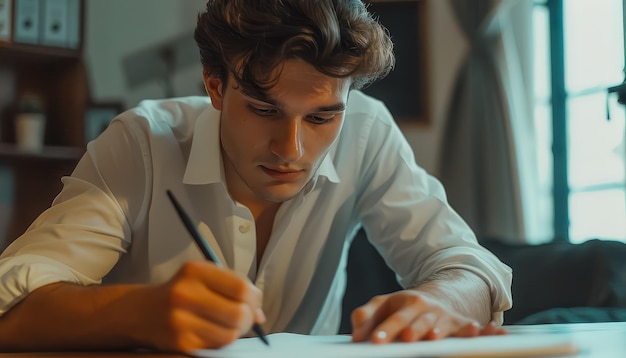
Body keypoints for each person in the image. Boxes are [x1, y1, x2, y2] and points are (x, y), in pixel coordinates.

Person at [0, 0, 512, 352]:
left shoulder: (368, 132)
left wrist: (439, 302)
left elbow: (471, 267)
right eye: (265, 110)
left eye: (321, 117)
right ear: (215, 86)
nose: (290, 150)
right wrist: (140, 313)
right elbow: (9, 302)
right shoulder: (142, 143)